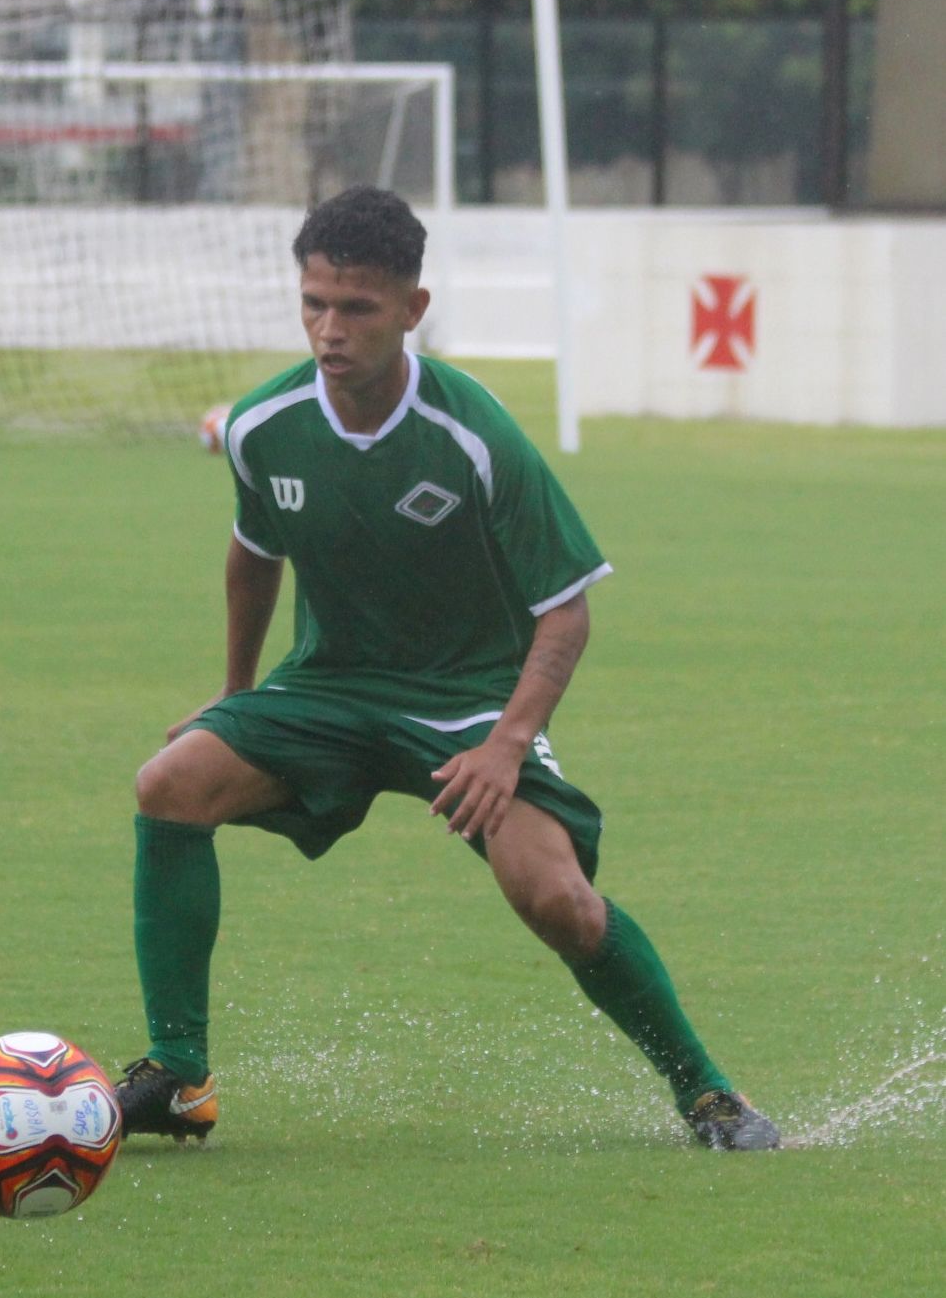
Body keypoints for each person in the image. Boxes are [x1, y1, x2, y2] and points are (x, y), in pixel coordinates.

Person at [112, 185, 779, 1152]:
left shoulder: (475, 432)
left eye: (358, 309)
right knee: (167, 784)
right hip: (330, 687)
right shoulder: (264, 426)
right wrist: (236, 687)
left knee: (556, 899)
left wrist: (507, 744)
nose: (329, 330)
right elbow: (254, 549)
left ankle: (709, 1095)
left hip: (469, 702)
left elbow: (566, 613)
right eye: (314, 304)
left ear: (413, 310)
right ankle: (177, 1073)